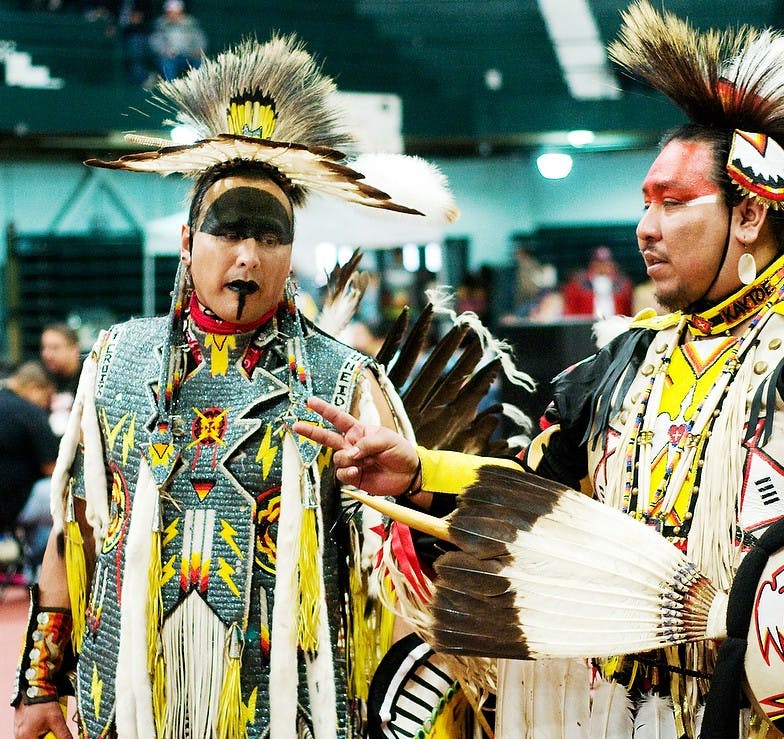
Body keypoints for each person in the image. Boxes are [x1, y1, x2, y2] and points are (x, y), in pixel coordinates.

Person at [293, 2, 784, 736]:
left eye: (673, 201)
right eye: (643, 202)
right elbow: (547, 498)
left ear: (749, 214)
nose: (645, 227)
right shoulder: (623, 362)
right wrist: (419, 470)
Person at [11, 35, 458, 739]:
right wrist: (38, 682)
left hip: (289, 713)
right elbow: (75, 533)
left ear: (292, 249)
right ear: (188, 242)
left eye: (270, 235)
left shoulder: (345, 381)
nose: (249, 255)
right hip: (129, 707)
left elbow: (393, 574)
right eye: (229, 230)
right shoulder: (115, 362)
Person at [0, 361, 59, 577]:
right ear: (35, 387)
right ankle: (41, 570)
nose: (47, 403)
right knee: (67, 495)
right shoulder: (30, 412)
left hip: (11, 501)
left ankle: (33, 569)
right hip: (15, 503)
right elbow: (51, 468)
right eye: (47, 396)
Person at [561, 244, 633, 317]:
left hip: (616, 324)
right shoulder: (578, 284)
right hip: (586, 325)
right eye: (598, 262)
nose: (602, 266)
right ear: (591, 263)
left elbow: (629, 310)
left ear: (612, 264)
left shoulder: (623, 284)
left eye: (606, 262)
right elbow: (570, 312)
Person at [39, 323, 81, 436]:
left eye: (54, 348)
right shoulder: (42, 379)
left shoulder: (89, 379)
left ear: (74, 349)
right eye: (44, 348)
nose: (46, 354)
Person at [149, 0, 206, 82]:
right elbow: (155, 41)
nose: (173, 16)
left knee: (199, 62)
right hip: (170, 57)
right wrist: (163, 50)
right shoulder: (160, 25)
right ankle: (172, 87)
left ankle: (197, 86)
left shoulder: (190, 24)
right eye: (170, 13)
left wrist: (198, 49)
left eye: (176, 13)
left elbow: (200, 39)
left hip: (189, 55)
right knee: (167, 64)